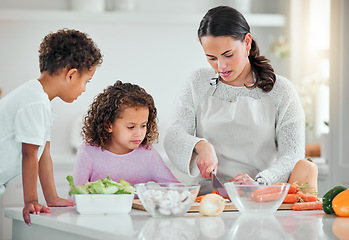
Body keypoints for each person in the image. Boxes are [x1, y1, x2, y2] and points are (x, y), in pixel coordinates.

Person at [164, 6, 317, 194]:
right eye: (211, 58)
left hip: (261, 199)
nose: (221, 66)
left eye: (228, 55)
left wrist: (261, 182)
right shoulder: (197, 82)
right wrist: (199, 145)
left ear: (247, 42)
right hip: (208, 198)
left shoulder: (282, 91)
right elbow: (173, 135)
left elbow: (293, 155)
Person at [0, 28, 103, 225]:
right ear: (71, 75)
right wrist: (31, 200)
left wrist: (52, 198)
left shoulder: (41, 101)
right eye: (86, 82)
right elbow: (29, 154)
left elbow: (43, 154)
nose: (84, 89)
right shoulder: (35, 102)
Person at [72, 81, 179, 187]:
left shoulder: (148, 154)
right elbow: (75, 194)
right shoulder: (87, 152)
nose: (139, 133)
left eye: (143, 125)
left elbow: (175, 188)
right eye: (131, 127)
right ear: (108, 125)